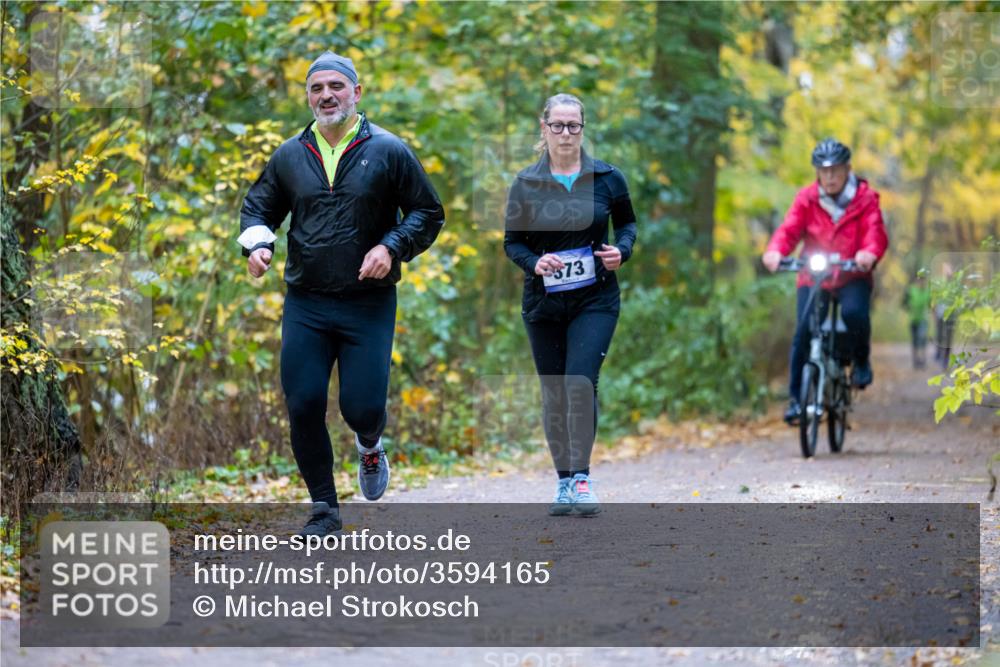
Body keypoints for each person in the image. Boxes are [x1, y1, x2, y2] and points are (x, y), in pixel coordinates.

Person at [238, 51, 444, 536]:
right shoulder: (290, 155)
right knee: (304, 402)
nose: (326, 95)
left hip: (367, 302)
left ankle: (369, 443)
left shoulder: (389, 150)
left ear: (357, 92)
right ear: (308, 96)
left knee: (362, 407)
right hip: (307, 301)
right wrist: (258, 245)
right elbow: (256, 208)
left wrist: (392, 246)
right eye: (316, 88)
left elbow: (427, 213)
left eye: (336, 86)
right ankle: (324, 509)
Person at [504, 93, 637, 516]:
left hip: (595, 299)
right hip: (543, 303)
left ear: (583, 129)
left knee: (580, 383)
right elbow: (513, 242)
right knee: (554, 392)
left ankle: (582, 478)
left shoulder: (608, 178)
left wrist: (623, 251)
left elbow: (628, 224)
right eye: (557, 125)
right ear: (543, 129)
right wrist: (535, 262)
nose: (566, 133)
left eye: (573, 126)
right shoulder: (526, 183)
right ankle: (562, 482)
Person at [762, 138, 888, 425]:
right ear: (817, 172)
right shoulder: (807, 198)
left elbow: (875, 231)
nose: (829, 176)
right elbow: (789, 229)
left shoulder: (866, 198)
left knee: (854, 313)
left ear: (848, 169)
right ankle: (796, 400)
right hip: (814, 274)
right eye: (823, 170)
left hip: (851, 273)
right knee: (803, 331)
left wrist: (868, 252)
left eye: (836, 170)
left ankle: (860, 361)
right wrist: (775, 251)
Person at [903, 273, 931, 369]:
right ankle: (915, 360)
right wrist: (909, 307)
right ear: (916, 280)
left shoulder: (928, 291)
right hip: (913, 319)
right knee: (914, 341)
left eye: (923, 280)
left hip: (923, 319)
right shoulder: (911, 290)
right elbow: (904, 303)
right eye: (919, 280)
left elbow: (931, 305)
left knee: (922, 338)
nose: (921, 282)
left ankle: (922, 359)